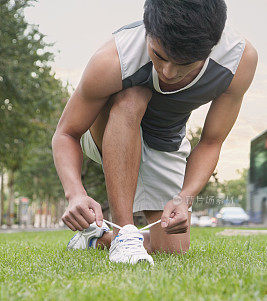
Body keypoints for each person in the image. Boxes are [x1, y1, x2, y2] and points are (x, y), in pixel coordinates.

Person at [52, 0, 258, 265]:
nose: (168, 72)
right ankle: (124, 234)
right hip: (106, 130)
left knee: (173, 249)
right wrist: (75, 193)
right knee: (133, 95)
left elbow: (211, 142)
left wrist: (185, 198)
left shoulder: (238, 61)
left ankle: (97, 237)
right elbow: (66, 133)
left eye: (185, 64)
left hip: (165, 141)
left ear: (212, 47)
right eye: (159, 55)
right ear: (148, 31)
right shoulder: (114, 58)